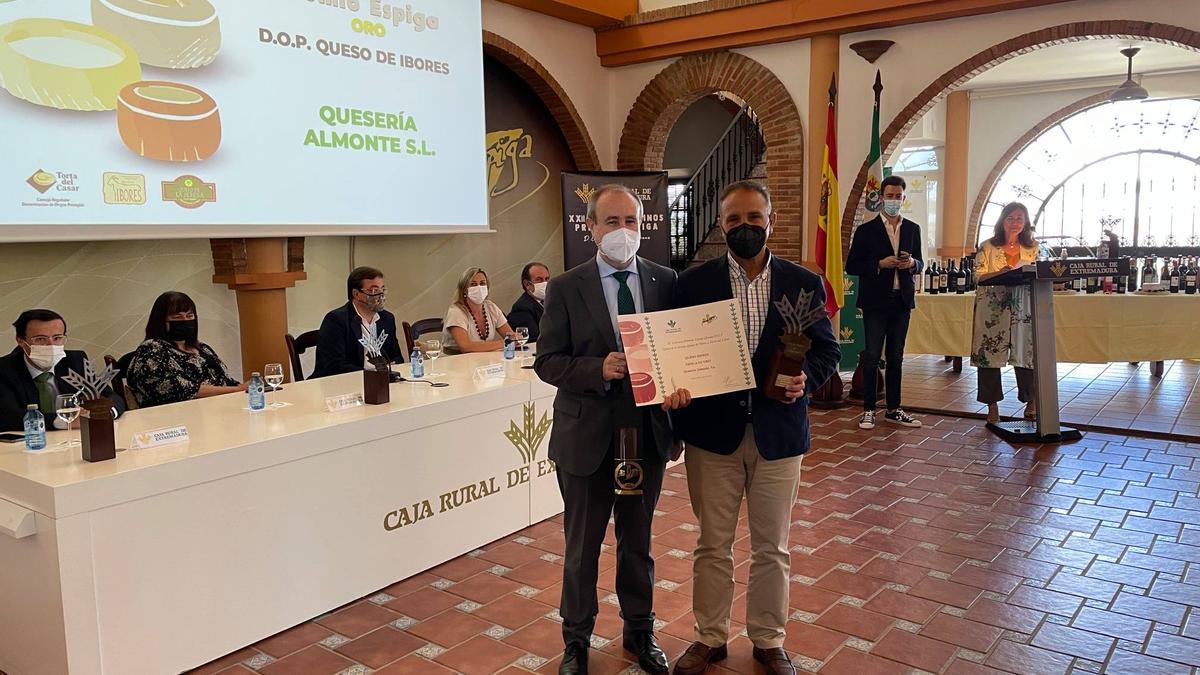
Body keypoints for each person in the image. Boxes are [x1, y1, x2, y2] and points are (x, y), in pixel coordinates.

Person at [671, 180, 840, 675]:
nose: (744, 227)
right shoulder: (693, 285)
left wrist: (804, 381)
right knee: (712, 543)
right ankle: (710, 636)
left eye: (753, 217)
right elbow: (678, 356)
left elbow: (827, 350)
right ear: (721, 224)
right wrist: (677, 403)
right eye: (733, 220)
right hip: (712, 434)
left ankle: (768, 639)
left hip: (778, 434)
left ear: (771, 219)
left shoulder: (802, 283)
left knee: (773, 545)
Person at [535, 184, 691, 675]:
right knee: (582, 546)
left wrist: (680, 399)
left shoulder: (666, 280)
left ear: (643, 226)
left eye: (632, 222)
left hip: (642, 435)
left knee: (637, 542)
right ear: (591, 228)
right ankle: (576, 641)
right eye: (611, 222)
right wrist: (595, 369)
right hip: (587, 438)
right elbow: (547, 362)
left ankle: (640, 633)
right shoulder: (565, 287)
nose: (623, 231)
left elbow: (680, 352)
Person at [845, 175, 924, 430]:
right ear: (880, 197)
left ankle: (893, 409)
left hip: (901, 301)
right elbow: (852, 265)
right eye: (889, 196)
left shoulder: (912, 228)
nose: (893, 201)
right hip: (875, 302)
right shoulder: (866, 230)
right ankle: (868, 410)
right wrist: (880, 264)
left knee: (896, 357)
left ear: (904, 198)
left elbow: (921, 262)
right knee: (871, 357)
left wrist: (912, 264)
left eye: (898, 197)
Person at [0, 309, 127, 432]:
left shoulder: (75, 361)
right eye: (40, 339)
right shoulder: (4, 369)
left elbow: (112, 397)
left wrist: (106, 412)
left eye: (57, 338)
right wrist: (62, 421)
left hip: (75, 438)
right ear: (20, 341)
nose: (51, 345)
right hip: (29, 443)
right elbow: (7, 415)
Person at [972, 202, 1039, 423]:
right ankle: (992, 406)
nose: (1015, 222)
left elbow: (1042, 272)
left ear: (1026, 222)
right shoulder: (987, 246)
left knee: (1027, 353)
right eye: (1010, 218)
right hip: (993, 308)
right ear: (1002, 220)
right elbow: (977, 276)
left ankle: (1032, 401)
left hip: (1023, 307)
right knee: (989, 355)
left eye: (1020, 218)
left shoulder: (1034, 248)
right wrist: (998, 273)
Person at [126, 292, 244, 408]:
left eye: (189, 316)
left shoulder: (203, 348)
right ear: (161, 321)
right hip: (175, 417)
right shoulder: (151, 349)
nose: (185, 320)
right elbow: (182, 389)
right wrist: (238, 389)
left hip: (218, 411)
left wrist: (251, 387)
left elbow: (226, 380)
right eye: (177, 317)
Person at [312, 266, 405, 378]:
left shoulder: (387, 318)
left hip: (381, 381)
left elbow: (397, 356)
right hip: (344, 383)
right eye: (374, 290)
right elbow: (333, 365)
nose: (380, 295)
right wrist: (369, 375)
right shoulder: (336, 320)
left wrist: (391, 368)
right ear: (356, 294)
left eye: (382, 289)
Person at [443, 267, 516, 353]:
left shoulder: (490, 307)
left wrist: (517, 339)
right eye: (473, 284)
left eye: (482, 283)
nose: (479, 288)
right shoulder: (456, 311)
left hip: (484, 360)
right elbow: (466, 347)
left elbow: (511, 336)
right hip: (455, 360)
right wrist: (504, 342)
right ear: (464, 290)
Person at [508, 261, 551, 343]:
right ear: (527, 284)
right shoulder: (521, 308)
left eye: (547, 279)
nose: (545, 283)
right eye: (539, 279)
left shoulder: (552, 301)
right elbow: (534, 338)